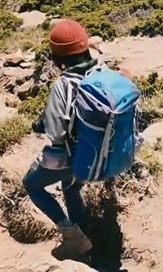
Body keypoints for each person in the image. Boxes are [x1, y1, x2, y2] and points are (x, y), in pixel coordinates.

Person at [23, 17, 99, 260]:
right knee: (71, 188)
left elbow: (56, 133)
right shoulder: (102, 71)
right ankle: (84, 233)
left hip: (75, 156)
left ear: (57, 57)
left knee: (32, 185)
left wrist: (42, 124)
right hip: (100, 152)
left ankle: (71, 236)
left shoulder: (63, 85)